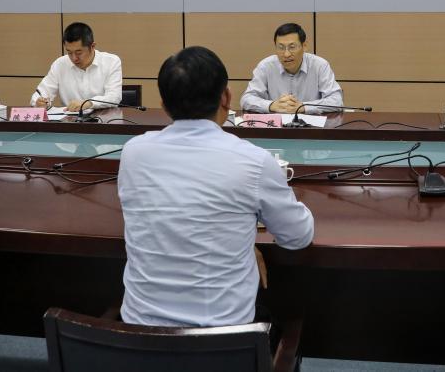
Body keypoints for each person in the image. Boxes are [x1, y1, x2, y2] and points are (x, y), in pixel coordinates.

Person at [119, 46, 314, 327]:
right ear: (226, 97)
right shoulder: (254, 161)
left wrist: (240, 242)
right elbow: (298, 236)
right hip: (225, 341)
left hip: (137, 336)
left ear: (163, 104)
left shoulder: (133, 153)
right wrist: (243, 243)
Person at [240, 23, 343, 114]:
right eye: (281, 48)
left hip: (311, 127)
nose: (286, 54)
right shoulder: (266, 66)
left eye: (292, 47)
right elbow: (246, 99)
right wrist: (272, 105)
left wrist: (303, 107)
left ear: (304, 46)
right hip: (276, 126)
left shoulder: (320, 65)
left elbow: (337, 101)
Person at [31, 22, 122, 112]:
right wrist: (39, 102)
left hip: (104, 118)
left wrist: (89, 103)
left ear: (92, 46)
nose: (74, 58)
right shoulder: (60, 64)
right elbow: (39, 95)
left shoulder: (111, 62)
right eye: (69, 52)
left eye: (79, 53)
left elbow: (114, 97)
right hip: (70, 119)